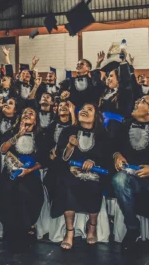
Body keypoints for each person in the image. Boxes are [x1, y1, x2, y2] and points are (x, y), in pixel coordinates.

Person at [111, 96, 149, 251]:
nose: (136, 102)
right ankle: (132, 228)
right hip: (130, 178)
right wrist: (116, 155)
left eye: (142, 102)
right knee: (119, 180)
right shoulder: (123, 126)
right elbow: (111, 147)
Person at [53, 103, 109, 250]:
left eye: (89, 109)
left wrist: (93, 161)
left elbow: (107, 157)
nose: (84, 110)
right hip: (70, 171)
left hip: (94, 173)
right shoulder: (68, 131)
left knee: (94, 185)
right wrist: (70, 146)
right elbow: (60, 157)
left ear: (96, 116)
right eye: (82, 108)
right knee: (67, 184)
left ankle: (92, 227)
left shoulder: (103, 134)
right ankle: (69, 231)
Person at [0, 107, 49, 250]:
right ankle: (10, 227)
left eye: (31, 113)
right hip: (10, 172)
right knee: (8, 190)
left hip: (30, 172)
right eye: (25, 112)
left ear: (35, 120)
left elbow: (43, 160)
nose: (27, 114)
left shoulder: (41, 136)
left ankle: (27, 226)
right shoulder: (12, 133)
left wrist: (29, 170)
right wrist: (17, 136)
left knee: (25, 190)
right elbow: (3, 149)